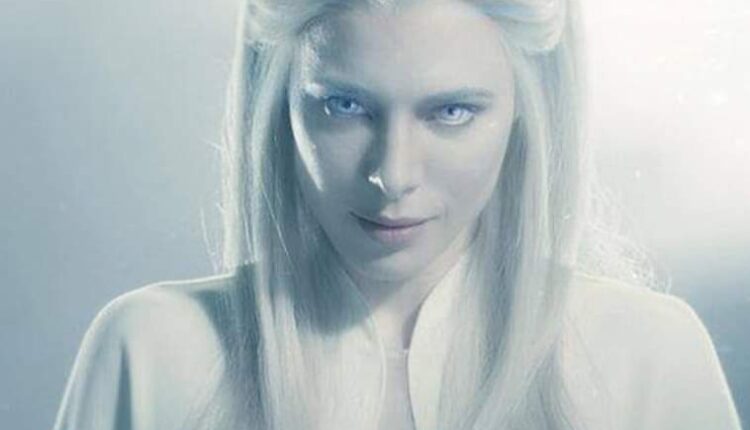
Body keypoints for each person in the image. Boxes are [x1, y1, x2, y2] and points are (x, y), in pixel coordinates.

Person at [53, 0, 743, 429]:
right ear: (279, 99)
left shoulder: (649, 360)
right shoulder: (151, 353)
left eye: (451, 112)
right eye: (345, 106)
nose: (392, 175)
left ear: (526, 109)